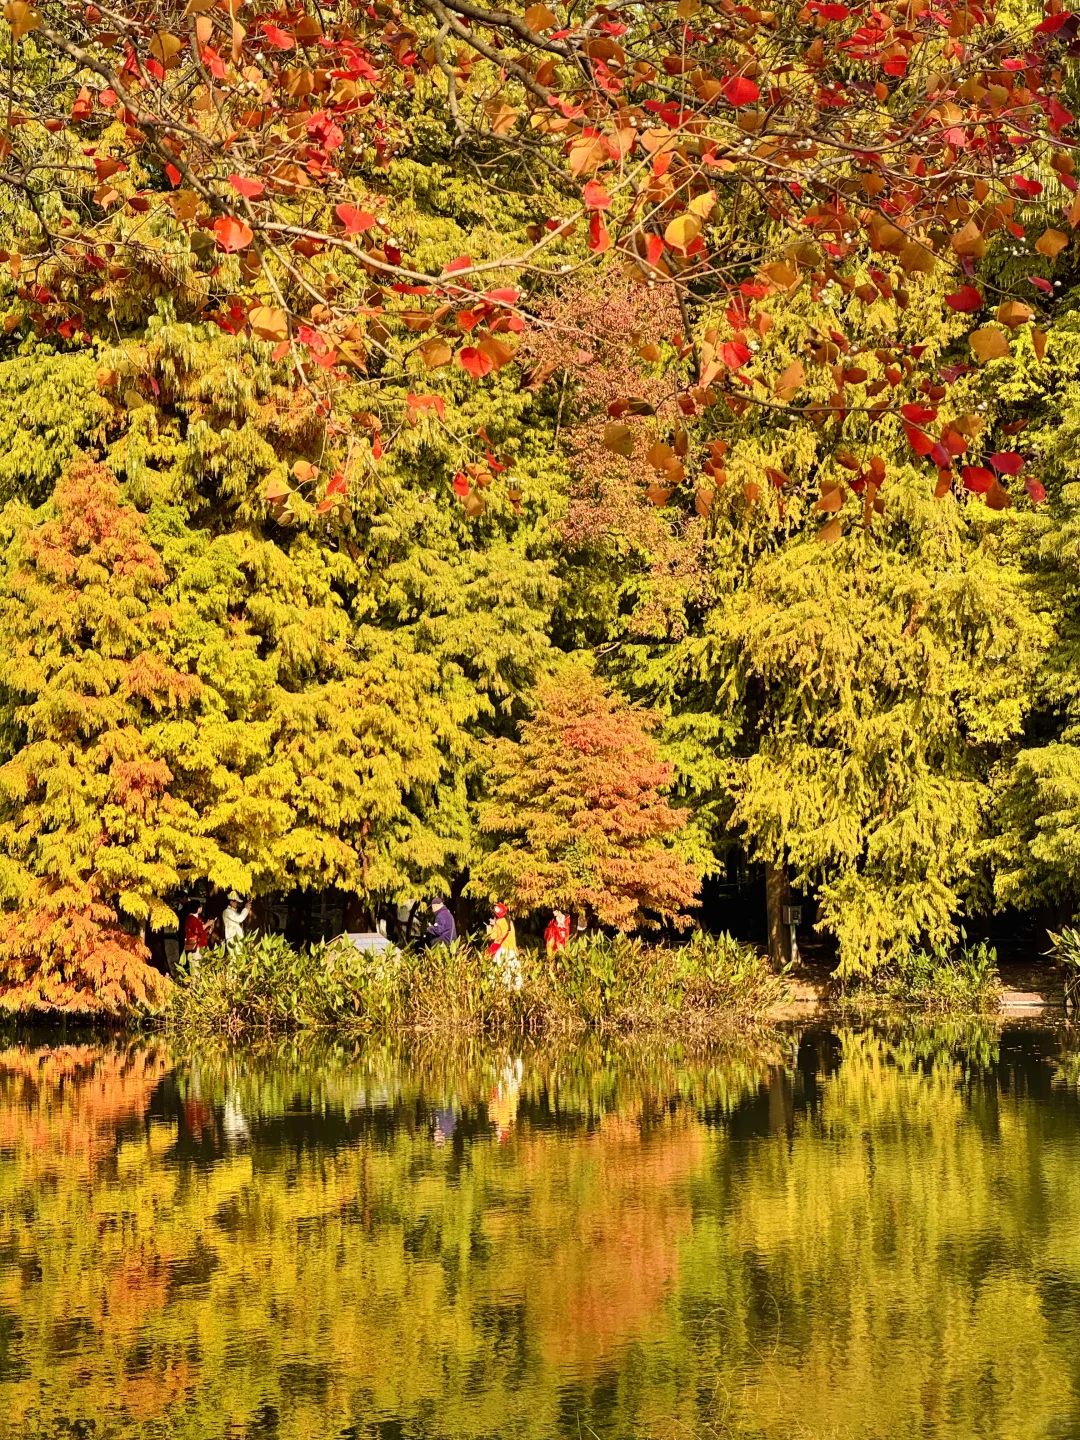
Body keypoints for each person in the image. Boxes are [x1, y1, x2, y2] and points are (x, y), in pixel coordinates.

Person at [487, 903, 521, 991]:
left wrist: (490, 928)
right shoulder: (510, 922)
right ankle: (516, 989)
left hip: (502, 950)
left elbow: (494, 936)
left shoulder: (498, 922)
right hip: (511, 950)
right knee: (513, 970)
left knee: (495, 969)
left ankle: (497, 989)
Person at [184, 902, 211, 975]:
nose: (201, 908)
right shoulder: (190, 918)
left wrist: (209, 926)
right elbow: (197, 930)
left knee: (201, 965)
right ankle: (195, 983)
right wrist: (207, 924)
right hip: (195, 946)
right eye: (199, 907)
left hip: (201, 945)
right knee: (196, 964)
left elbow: (204, 930)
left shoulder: (198, 918)